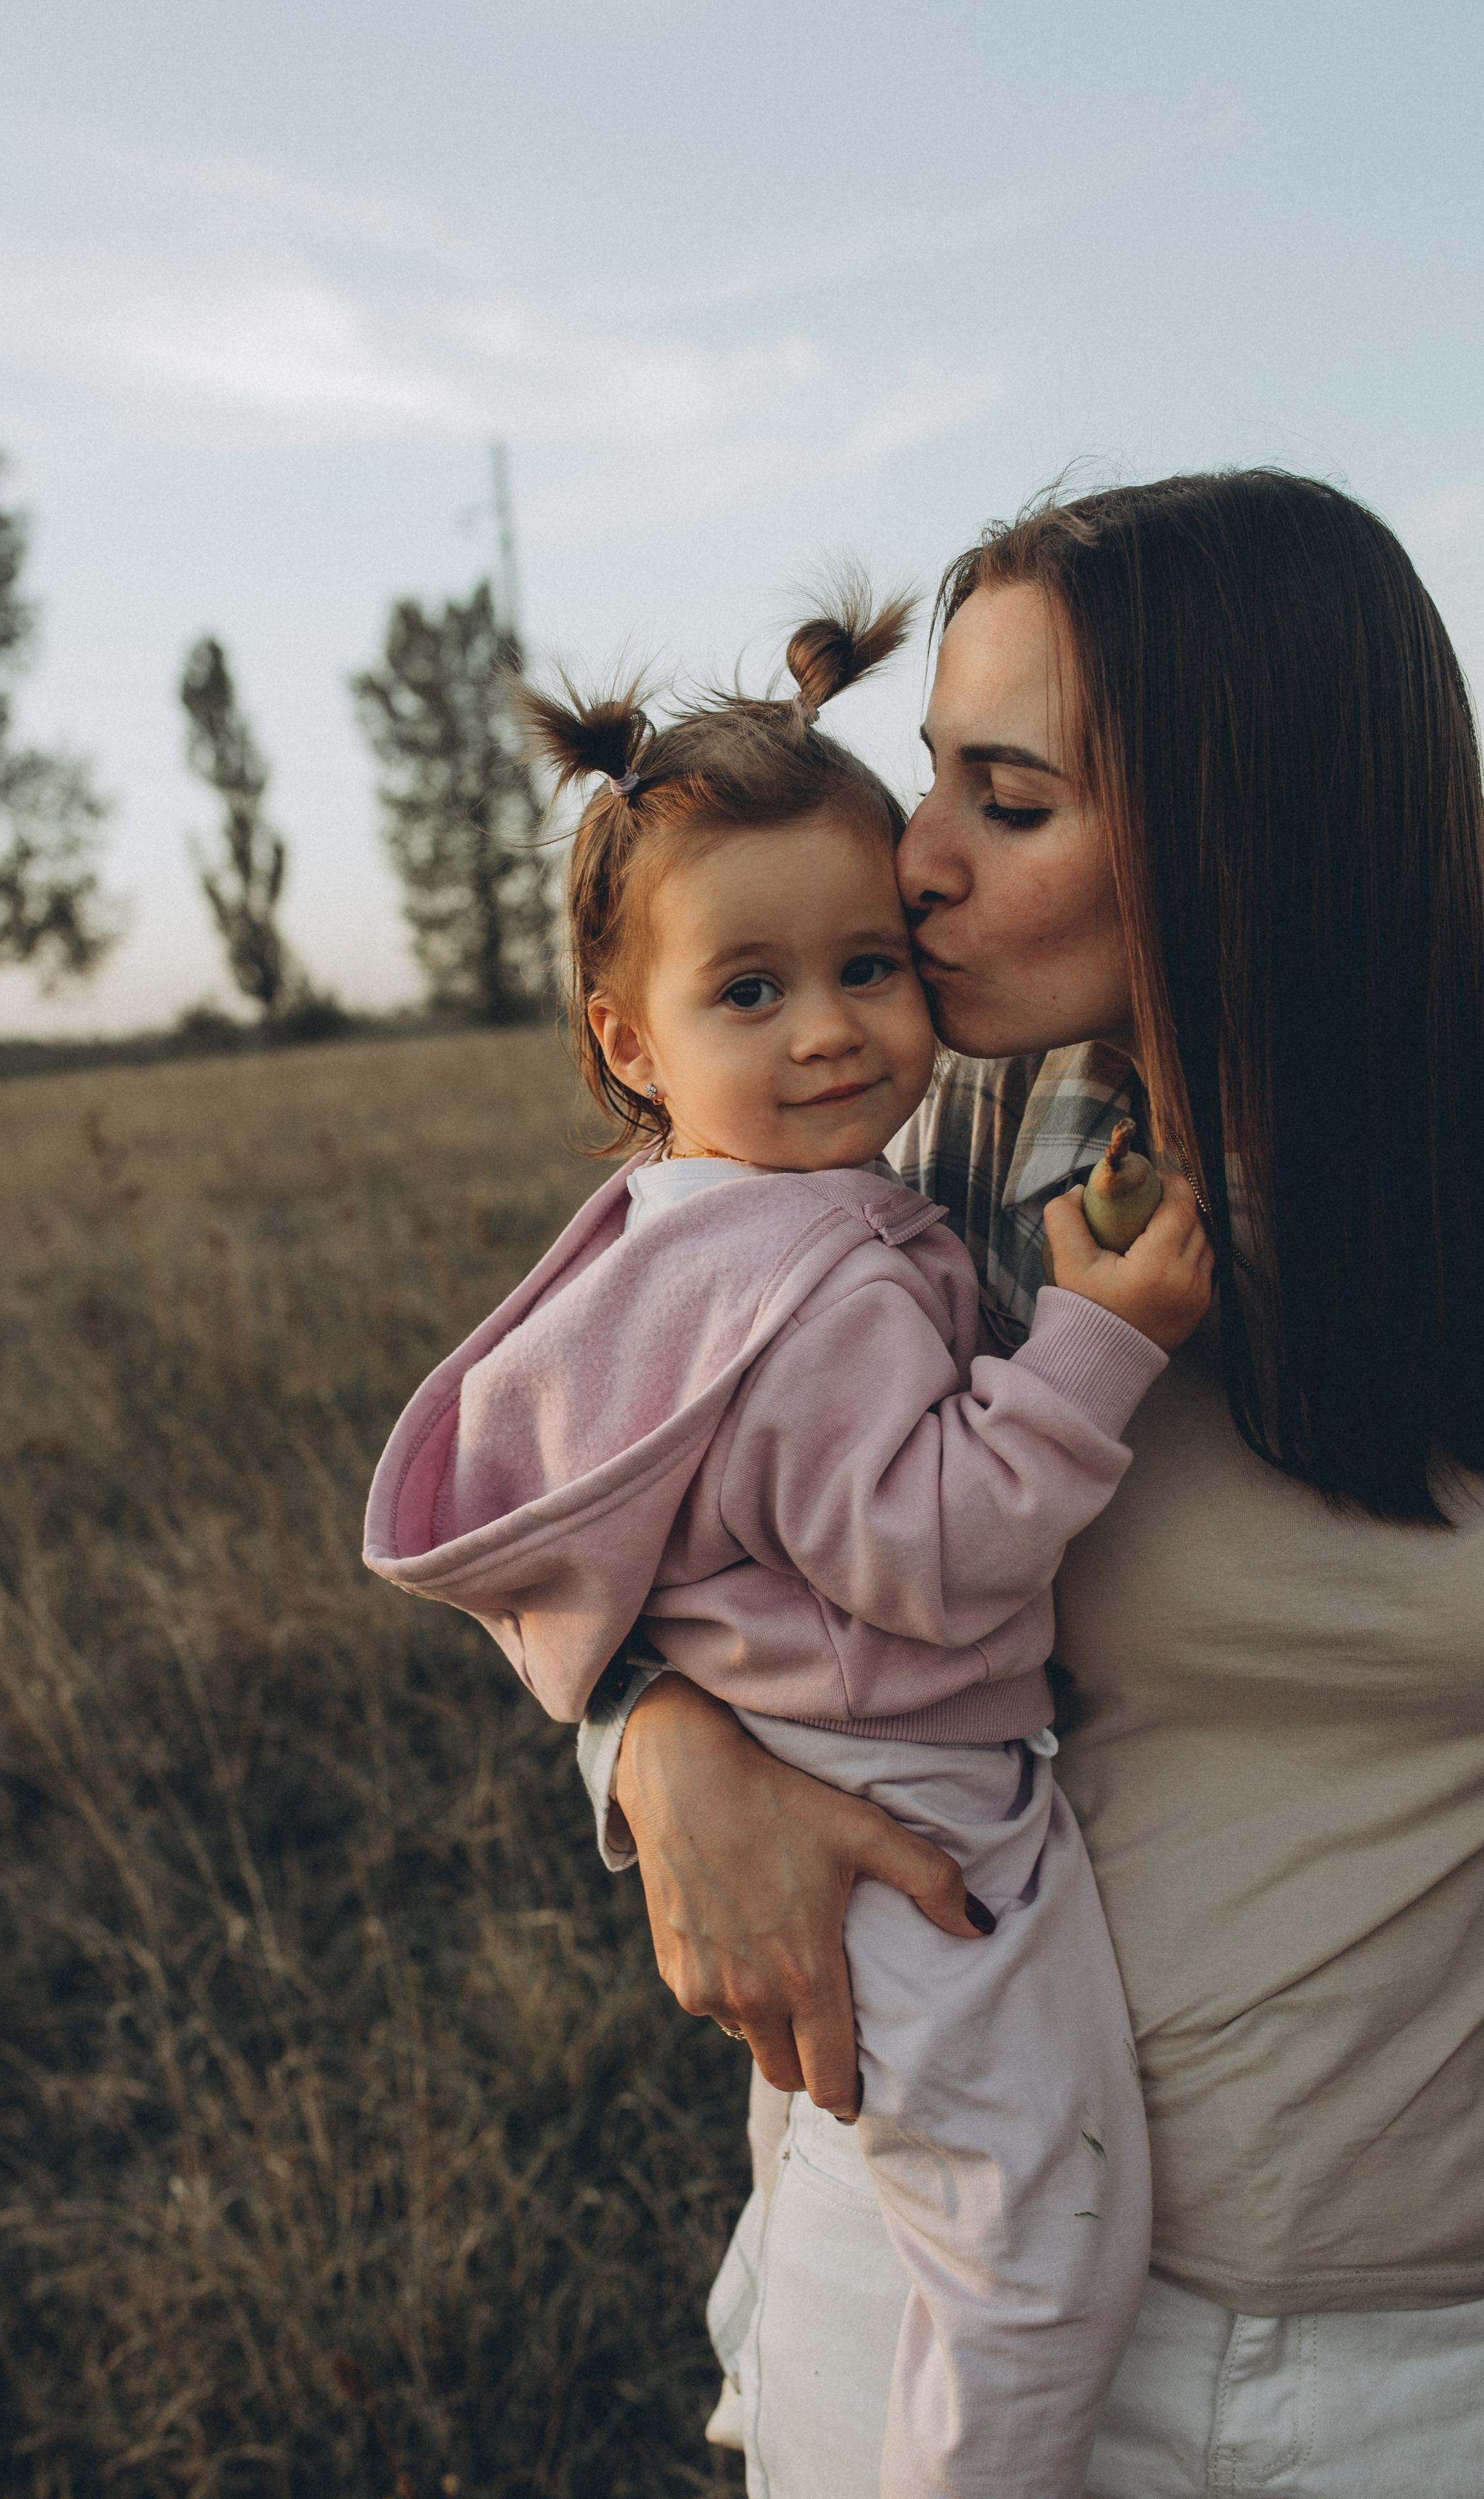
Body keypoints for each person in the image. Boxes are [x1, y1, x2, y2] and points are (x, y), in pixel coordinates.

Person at [587, 472, 1484, 2498]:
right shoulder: (938, 1153)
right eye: (932, 782)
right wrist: (655, 1749)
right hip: (914, 2254)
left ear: (1256, 822)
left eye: (1011, 800)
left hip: (1403, 2363)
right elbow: (616, 1509)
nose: (910, 868)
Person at [363, 589, 1213, 2499]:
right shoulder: (820, 1267)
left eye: (867, 969)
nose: (833, 1033)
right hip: (922, 1812)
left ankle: (782, 2369)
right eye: (751, 994)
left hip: (845, 1791)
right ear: (629, 1040)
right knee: (1036, 2258)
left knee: (841, 2136)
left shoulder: (698, 1232)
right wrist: (1100, 1340)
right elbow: (932, 1555)